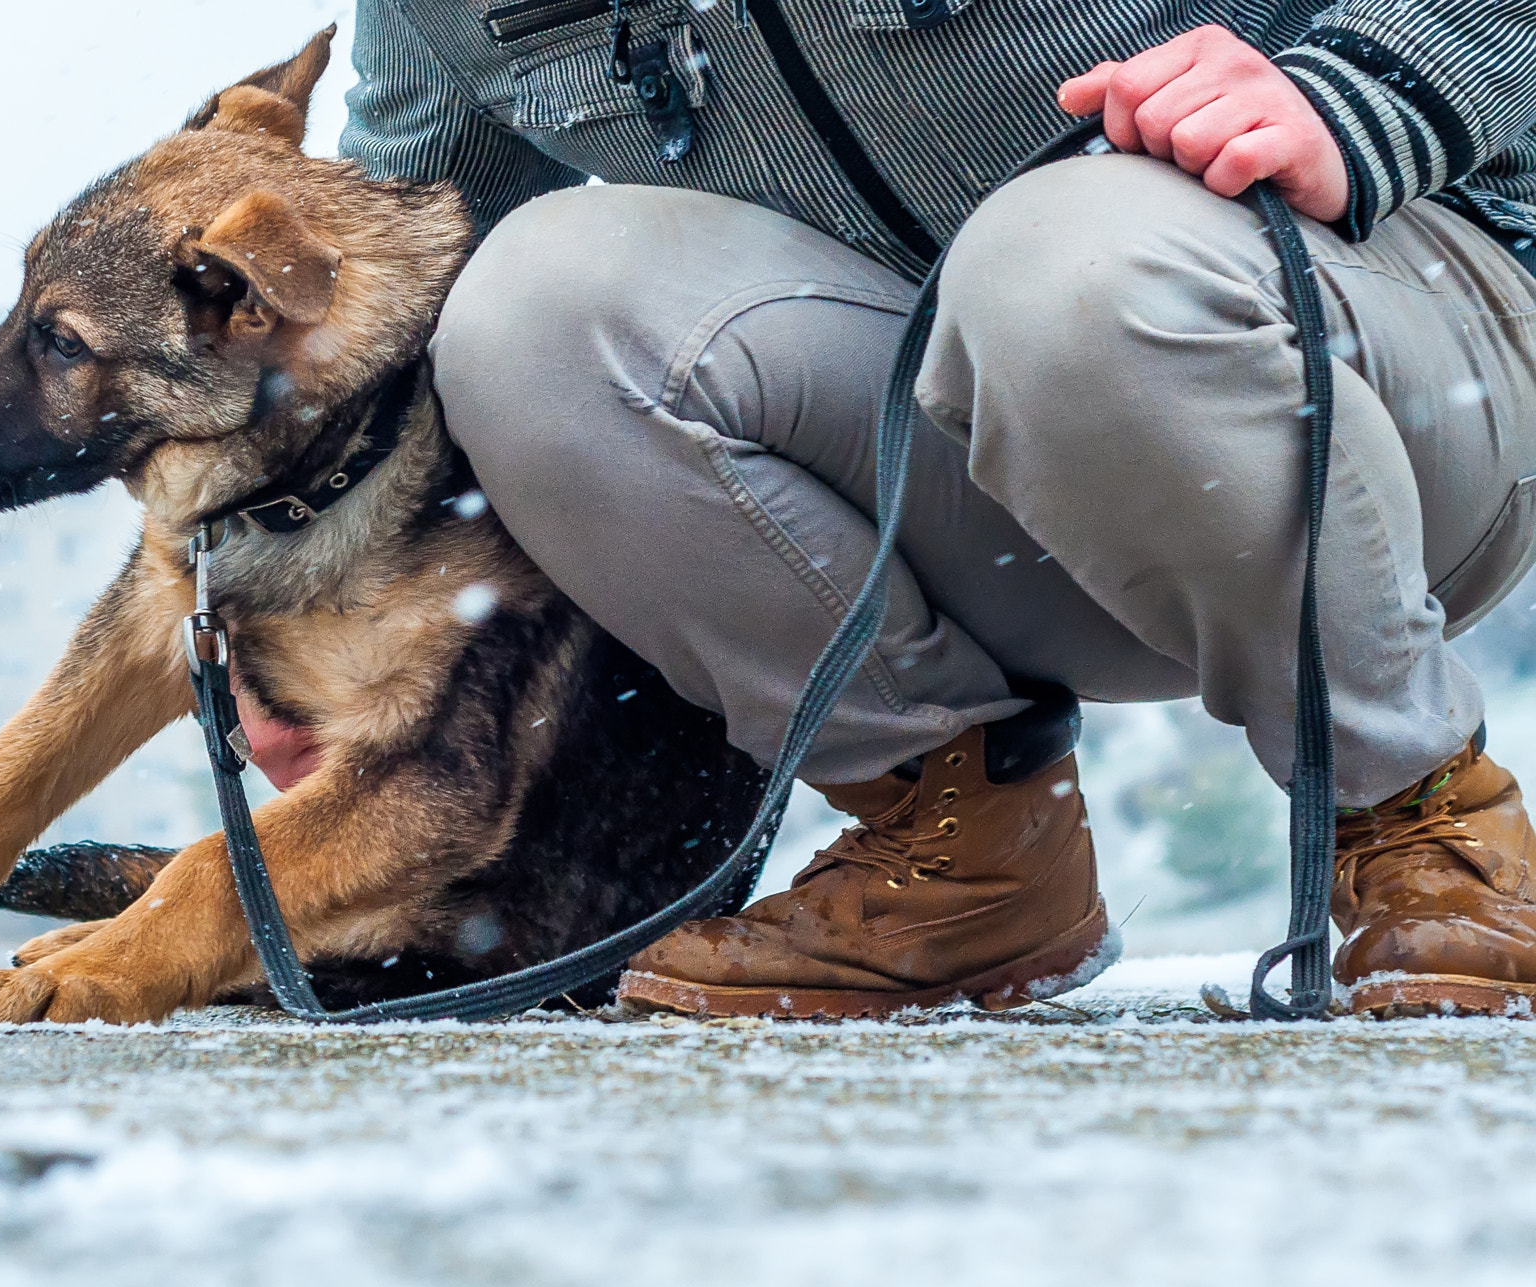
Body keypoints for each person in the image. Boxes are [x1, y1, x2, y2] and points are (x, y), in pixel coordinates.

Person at [336, 2, 1536, 1017]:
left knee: (1061, 260)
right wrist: (317, 605)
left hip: (1394, 370)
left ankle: (1420, 814)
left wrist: (1366, 90)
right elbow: (388, 265)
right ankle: (962, 845)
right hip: (970, 470)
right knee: (525, 307)